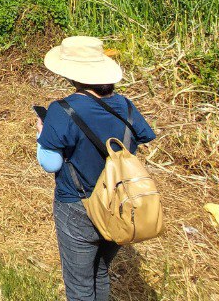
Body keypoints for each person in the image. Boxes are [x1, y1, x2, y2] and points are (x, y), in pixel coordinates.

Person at [35, 36, 156, 301]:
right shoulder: (125, 106)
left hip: (77, 205)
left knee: (79, 286)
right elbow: (141, 139)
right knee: (100, 272)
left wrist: (41, 135)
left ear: (71, 74)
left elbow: (51, 163)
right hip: (118, 202)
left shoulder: (62, 110)